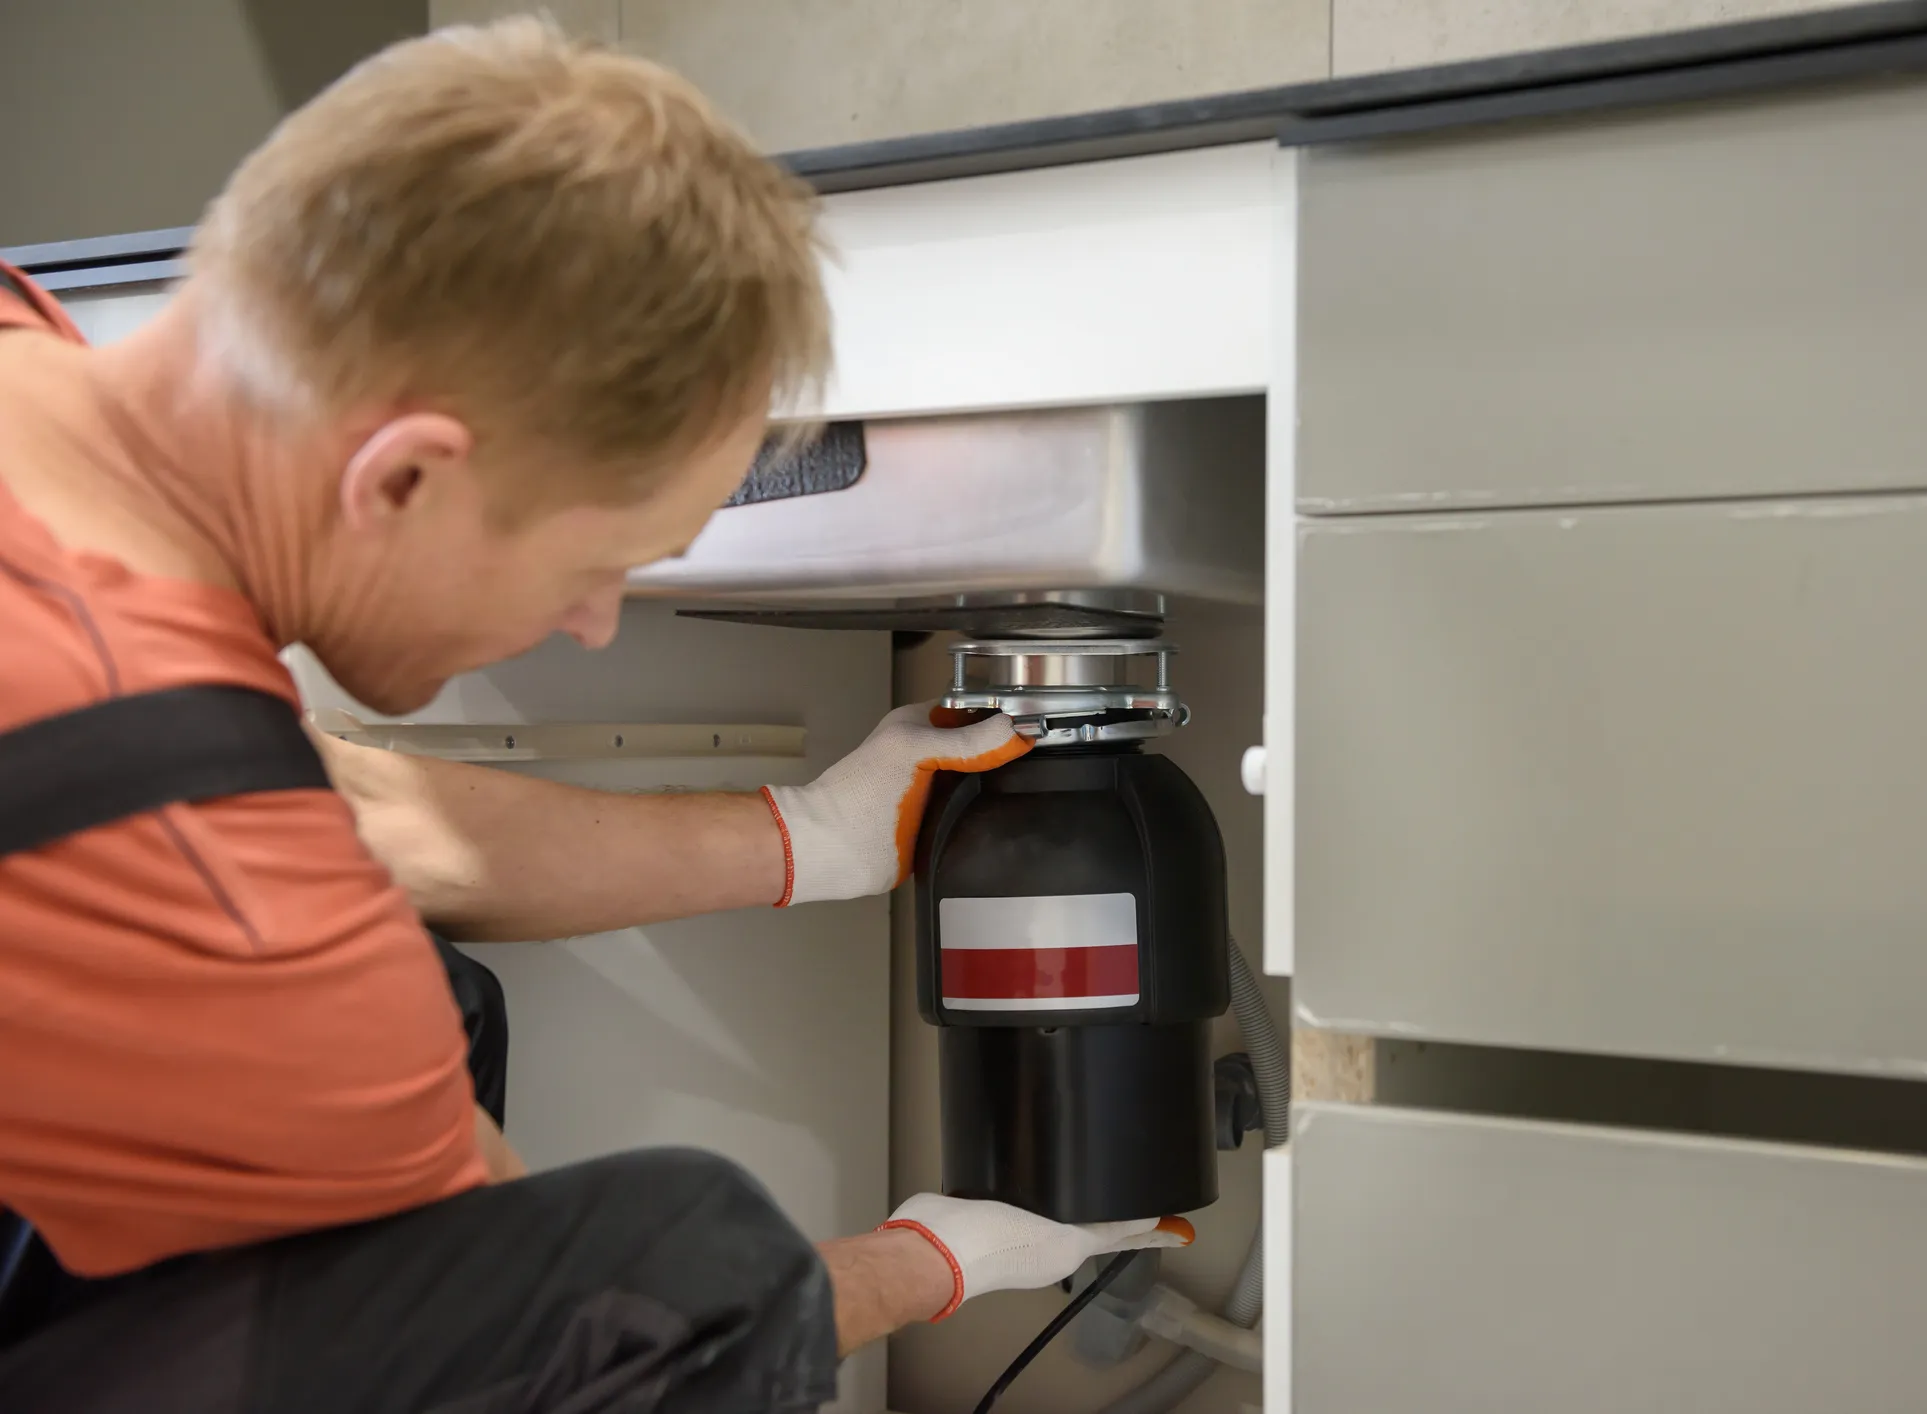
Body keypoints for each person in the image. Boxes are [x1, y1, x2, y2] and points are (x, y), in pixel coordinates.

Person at [0, 19, 1189, 1413]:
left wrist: (801, 837)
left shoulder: (37, 364)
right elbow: (580, 1328)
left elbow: (343, 816)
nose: (597, 624)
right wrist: (926, 1262)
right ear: (404, 478)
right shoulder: (171, 818)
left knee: (430, 999)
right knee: (689, 1272)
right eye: (593, 566)